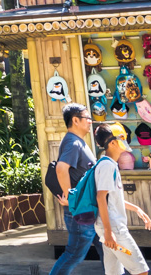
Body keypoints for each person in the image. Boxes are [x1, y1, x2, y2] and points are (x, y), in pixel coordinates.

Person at [93, 124, 151, 275]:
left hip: (108, 227)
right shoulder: (108, 165)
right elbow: (100, 197)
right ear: (112, 143)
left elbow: (111, 198)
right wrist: (108, 231)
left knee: (114, 273)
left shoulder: (107, 163)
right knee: (141, 271)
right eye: (121, 138)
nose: (124, 141)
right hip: (114, 229)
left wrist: (136, 209)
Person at [47, 103, 99, 275]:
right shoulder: (73, 143)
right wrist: (72, 198)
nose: (90, 121)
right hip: (80, 210)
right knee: (75, 253)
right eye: (87, 118)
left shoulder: (77, 142)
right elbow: (61, 168)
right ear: (75, 120)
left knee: (107, 247)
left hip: (89, 208)